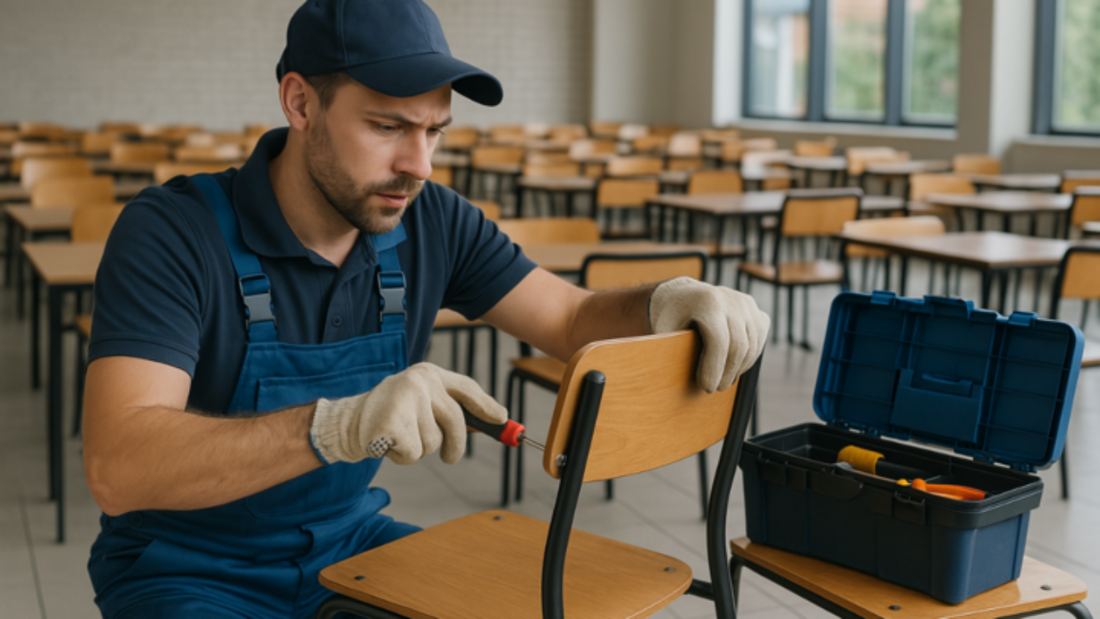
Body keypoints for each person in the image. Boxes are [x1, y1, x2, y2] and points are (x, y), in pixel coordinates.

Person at [82, 1, 770, 617]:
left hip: (351, 545)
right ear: (300, 103)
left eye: (435, 131)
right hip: (185, 570)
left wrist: (666, 301)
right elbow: (119, 466)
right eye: (388, 126)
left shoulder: (430, 219)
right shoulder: (174, 232)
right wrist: (336, 426)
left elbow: (568, 319)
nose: (420, 164)